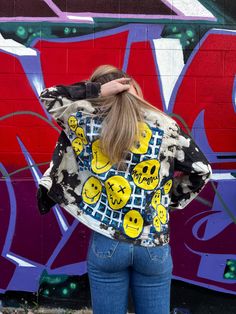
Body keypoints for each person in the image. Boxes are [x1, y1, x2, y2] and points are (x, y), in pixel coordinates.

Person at [38, 65, 212, 314]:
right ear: (134, 90)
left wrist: (96, 89)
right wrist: (167, 199)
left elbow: (49, 96)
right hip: (153, 243)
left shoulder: (86, 124)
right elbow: (202, 170)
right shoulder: (165, 126)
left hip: (108, 243)